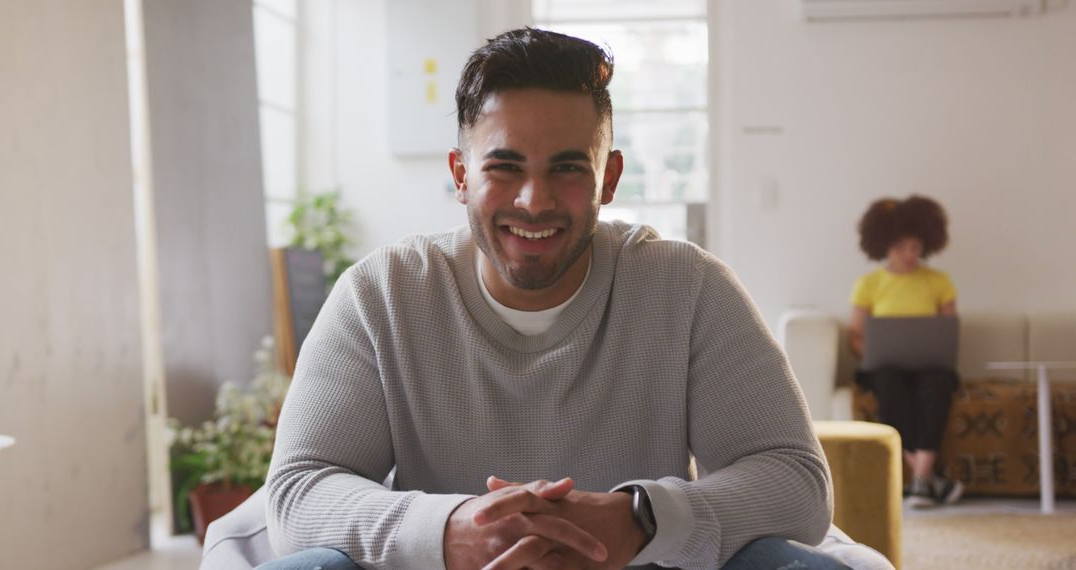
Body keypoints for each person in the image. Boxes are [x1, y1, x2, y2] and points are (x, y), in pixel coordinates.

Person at [259, 28, 890, 569]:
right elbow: (295, 494)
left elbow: (797, 485)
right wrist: (450, 531)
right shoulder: (382, 294)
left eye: (567, 168)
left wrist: (642, 517)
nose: (533, 201)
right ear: (459, 175)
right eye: (504, 167)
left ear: (609, 177)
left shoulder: (687, 287)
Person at [848, 196, 964, 509]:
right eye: (902, 247)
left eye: (915, 247)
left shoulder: (939, 281)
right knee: (888, 383)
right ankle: (927, 480)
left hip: (931, 368)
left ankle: (920, 481)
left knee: (937, 384)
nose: (910, 254)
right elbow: (856, 336)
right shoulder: (869, 283)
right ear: (884, 245)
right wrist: (871, 353)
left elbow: (948, 332)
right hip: (885, 369)